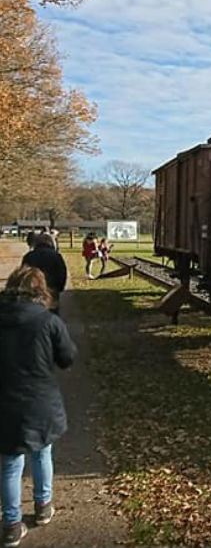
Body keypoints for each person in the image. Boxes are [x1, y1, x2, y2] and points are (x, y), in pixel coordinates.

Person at [0, 266, 77, 547]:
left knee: (10, 463)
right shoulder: (48, 321)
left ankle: (11, 524)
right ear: (40, 290)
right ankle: (43, 506)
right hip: (39, 400)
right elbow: (67, 357)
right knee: (42, 453)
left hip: (4, 399)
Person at [20, 234, 67, 315]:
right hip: (52, 288)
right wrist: (60, 287)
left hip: (34, 288)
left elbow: (23, 273)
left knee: (34, 312)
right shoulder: (56, 256)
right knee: (52, 313)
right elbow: (62, 273)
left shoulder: (29, 256)